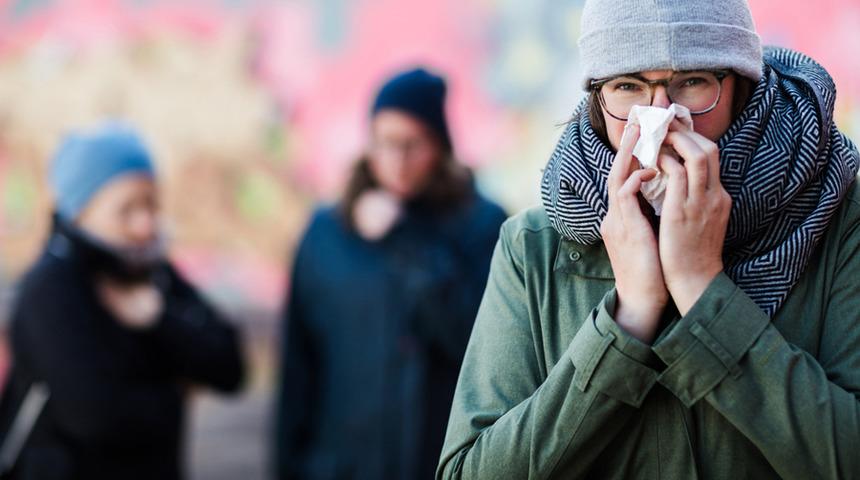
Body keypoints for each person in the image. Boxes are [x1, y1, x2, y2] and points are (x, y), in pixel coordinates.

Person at [438, 0, 860, 478]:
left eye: (692, 81)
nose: (660, 118)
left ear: (743, 89)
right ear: (597, 96)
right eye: (628, 86)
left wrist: (702, 289)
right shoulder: (533, 247)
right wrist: (627, 320)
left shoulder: (836, 217)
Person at [275, 68, 507, 480]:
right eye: (384, 142)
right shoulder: (327, 233)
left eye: (412, 144)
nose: (397, 160)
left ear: (440, 146)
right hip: (340, 466)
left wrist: (405, 240)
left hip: (441, 464)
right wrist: (290, 464)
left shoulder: (481, 226)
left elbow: (479, 343)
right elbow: (298, 363)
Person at [0, 123, 245, 480]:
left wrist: (160, 321)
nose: (145, 224)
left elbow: (230, 366)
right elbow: (94, 416)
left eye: (151, 205)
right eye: (126, 209)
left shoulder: (152, 272)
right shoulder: (51, 288)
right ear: (80, 211)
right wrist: (175, 393)